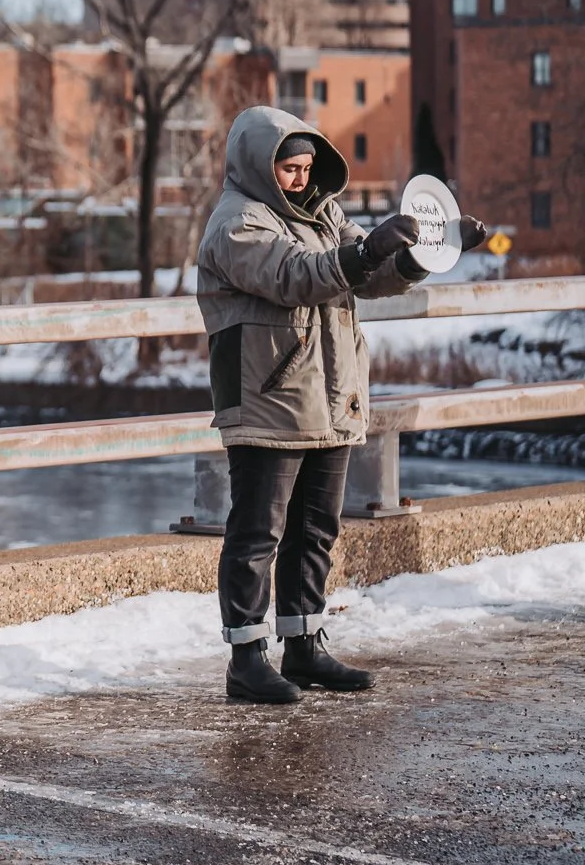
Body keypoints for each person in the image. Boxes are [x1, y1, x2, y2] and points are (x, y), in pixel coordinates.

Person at [196, 107, 490, 704]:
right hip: (266, 399)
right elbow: (295, 276)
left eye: (306, 167)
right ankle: (245, 659)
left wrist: (424, 253)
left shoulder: (325, 214)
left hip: (330, 397)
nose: (300, 179)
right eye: (288, 168)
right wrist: (362, 254)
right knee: (258, 532)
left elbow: (369, 274)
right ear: (259, 164)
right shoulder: (235, 223)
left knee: (315, 530)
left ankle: (303, 646)